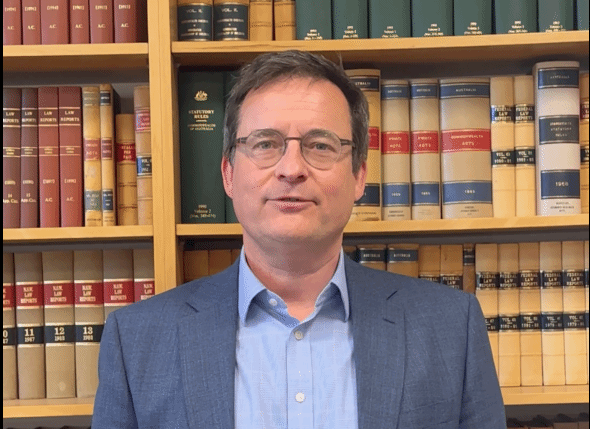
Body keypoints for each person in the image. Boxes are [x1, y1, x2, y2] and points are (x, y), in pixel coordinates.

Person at [92, 50, 506, 428]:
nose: (292, 168)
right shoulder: (137, 342)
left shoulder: (452, 328)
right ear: (228, 174)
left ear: (359, 176)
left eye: (320, 145)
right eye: (265, 144)